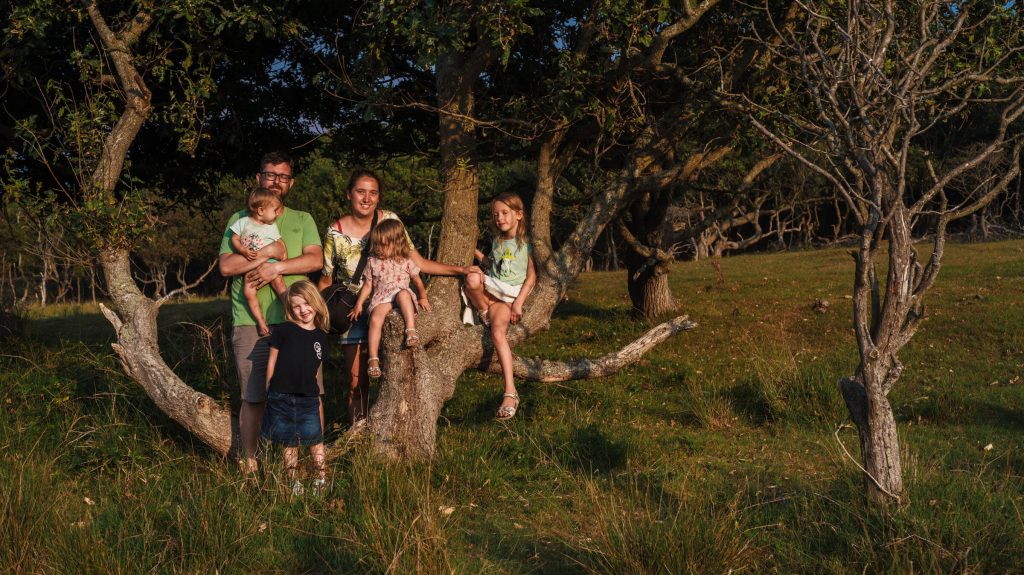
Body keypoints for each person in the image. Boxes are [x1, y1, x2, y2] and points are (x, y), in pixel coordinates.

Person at [318, 169, 477, 434]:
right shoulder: (335, 232)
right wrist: (314, 318)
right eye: (360, 191)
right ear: (349, 194)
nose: (366, 198)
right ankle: (358, 434)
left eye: (373, 192)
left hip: (391, 304)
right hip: (353, 309)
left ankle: (392, 431)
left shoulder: (390, 221)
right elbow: (325, 280)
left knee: (395, 373)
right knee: (358, 381)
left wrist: (461, 270)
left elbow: (418, 264)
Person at [219, 151, 322, 472]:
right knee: (254, 396)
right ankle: (250, 463)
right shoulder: (240, 219)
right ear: (258, 178)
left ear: (291, 183)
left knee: (310, 394)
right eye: (270, 175)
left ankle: (310, 463)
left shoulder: (302, 219)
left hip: (299, 322)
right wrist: (266, 257)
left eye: (283, 177)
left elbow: (314, 260)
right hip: (251, 321)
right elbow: (226, 266)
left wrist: (274, 270)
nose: (276, 182)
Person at [463, 192, 537, 420]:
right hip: (491, 291)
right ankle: (484, 312)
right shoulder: (497, 241)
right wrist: (472, 251)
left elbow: (532, 276)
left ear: (518, 214)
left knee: (497, 334)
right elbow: (491, 266)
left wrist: (519, 304)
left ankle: (510, 392)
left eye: (505, 213)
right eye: (496, 214)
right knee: (472, 278)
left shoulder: (527, 243)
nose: (499, 218)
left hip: (508, 297)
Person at [262, 280, 329, 495]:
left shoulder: (321, 336)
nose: (303, 310)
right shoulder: (284, 330)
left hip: (308, 398)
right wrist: (269, 389)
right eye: (296, 306)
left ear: (315, 302)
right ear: (290, 310)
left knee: (315, 439)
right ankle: (294, 483)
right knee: (288, 442)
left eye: (306, 304)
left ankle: (320, 479)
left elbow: (316, 368)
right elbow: (272, 360)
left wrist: (316, 395)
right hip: (280, 396)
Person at [348, 219, 431, 379]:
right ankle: (373, 358)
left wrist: (422, 296)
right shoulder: (373, 261)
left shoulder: (406, 260)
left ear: (396, 243)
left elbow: (417, 280)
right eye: (376, 244)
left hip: (401, 292)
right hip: (382, 298)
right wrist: (359, 304)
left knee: (404, 294)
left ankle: (411, 330)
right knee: (375, 319)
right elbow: (367, 285)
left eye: (382, 245)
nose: (378, 249)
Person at [229, 188, 288, 336]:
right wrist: (242, 250)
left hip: (270, 263)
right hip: (250, 267)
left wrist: (283, 260)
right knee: (248, 293)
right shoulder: (243, 222)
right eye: (274, 210)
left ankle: (290, 309)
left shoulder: (271, 227)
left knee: (279, 284)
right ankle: (261, 323)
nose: (276, 214)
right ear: (261, 210)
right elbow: (234, 239)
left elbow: (280, 244)